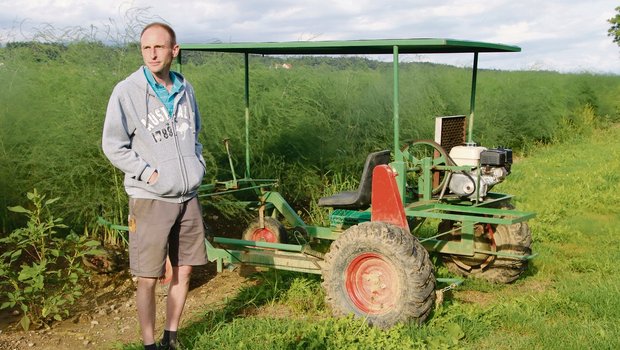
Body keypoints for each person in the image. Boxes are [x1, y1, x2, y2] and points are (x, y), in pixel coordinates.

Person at [102, 22, 207, 350]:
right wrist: (148, 175)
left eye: (159, 47)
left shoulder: (186, 89)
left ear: (174, 50)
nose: (152, 54)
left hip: (188, 196)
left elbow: (196, 136)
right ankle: (149, 344)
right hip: (150, 198)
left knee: (185, 271)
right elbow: (113, 145)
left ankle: (170, 338)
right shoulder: (127, 91)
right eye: (146, 48)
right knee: (147, 277)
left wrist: (197, 165)